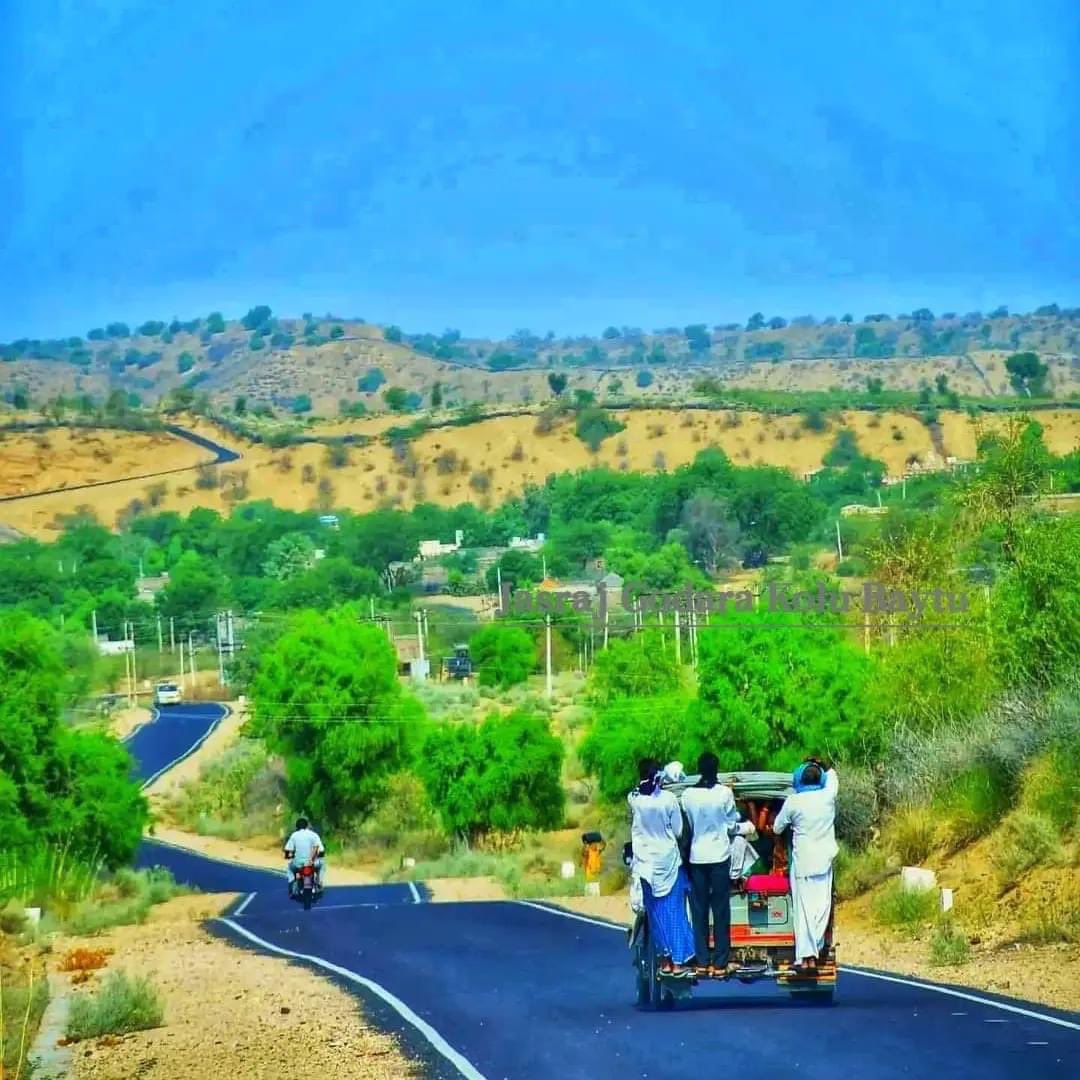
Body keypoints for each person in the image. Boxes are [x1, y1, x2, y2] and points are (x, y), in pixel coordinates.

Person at [628, 757, 695, 975]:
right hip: (668, 862)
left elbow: (637, 792)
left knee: (655, 915)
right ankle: (679, 961)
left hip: (646, 865)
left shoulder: (634, 799)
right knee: (674, 912)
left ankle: (665, 961)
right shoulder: (667, 799)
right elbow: (677, 830)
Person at [772, 758, 839, 971]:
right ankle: (814, 950)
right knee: (821, 909)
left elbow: (776, 828)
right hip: (824, 862)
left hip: (802, 864)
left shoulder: (793, 802)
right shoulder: (827, 797)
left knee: (803, 911)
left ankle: (806, 956)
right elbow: (834, 777)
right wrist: (823, 763)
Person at [681, 752, 740, 975]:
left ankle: (702, 959)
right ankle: (721, 961)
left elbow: (687, 823)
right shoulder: (724, 793)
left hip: (697, 856)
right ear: (716, 769)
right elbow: (731, 822)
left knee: (699, 909)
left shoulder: (688, 795)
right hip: (720, 855)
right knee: (721, 909)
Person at [283, 816, 325, 894]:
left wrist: (287, 856)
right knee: (322, 865)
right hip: (312, 863)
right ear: (307, 826)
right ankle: (319, 881)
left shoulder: (294, 835)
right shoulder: (314, 835)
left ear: (297, 826)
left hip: (298, 864)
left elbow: (287, 849)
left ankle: (291, 882)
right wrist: (319, 855)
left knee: (289, 867)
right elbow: (321, 850)